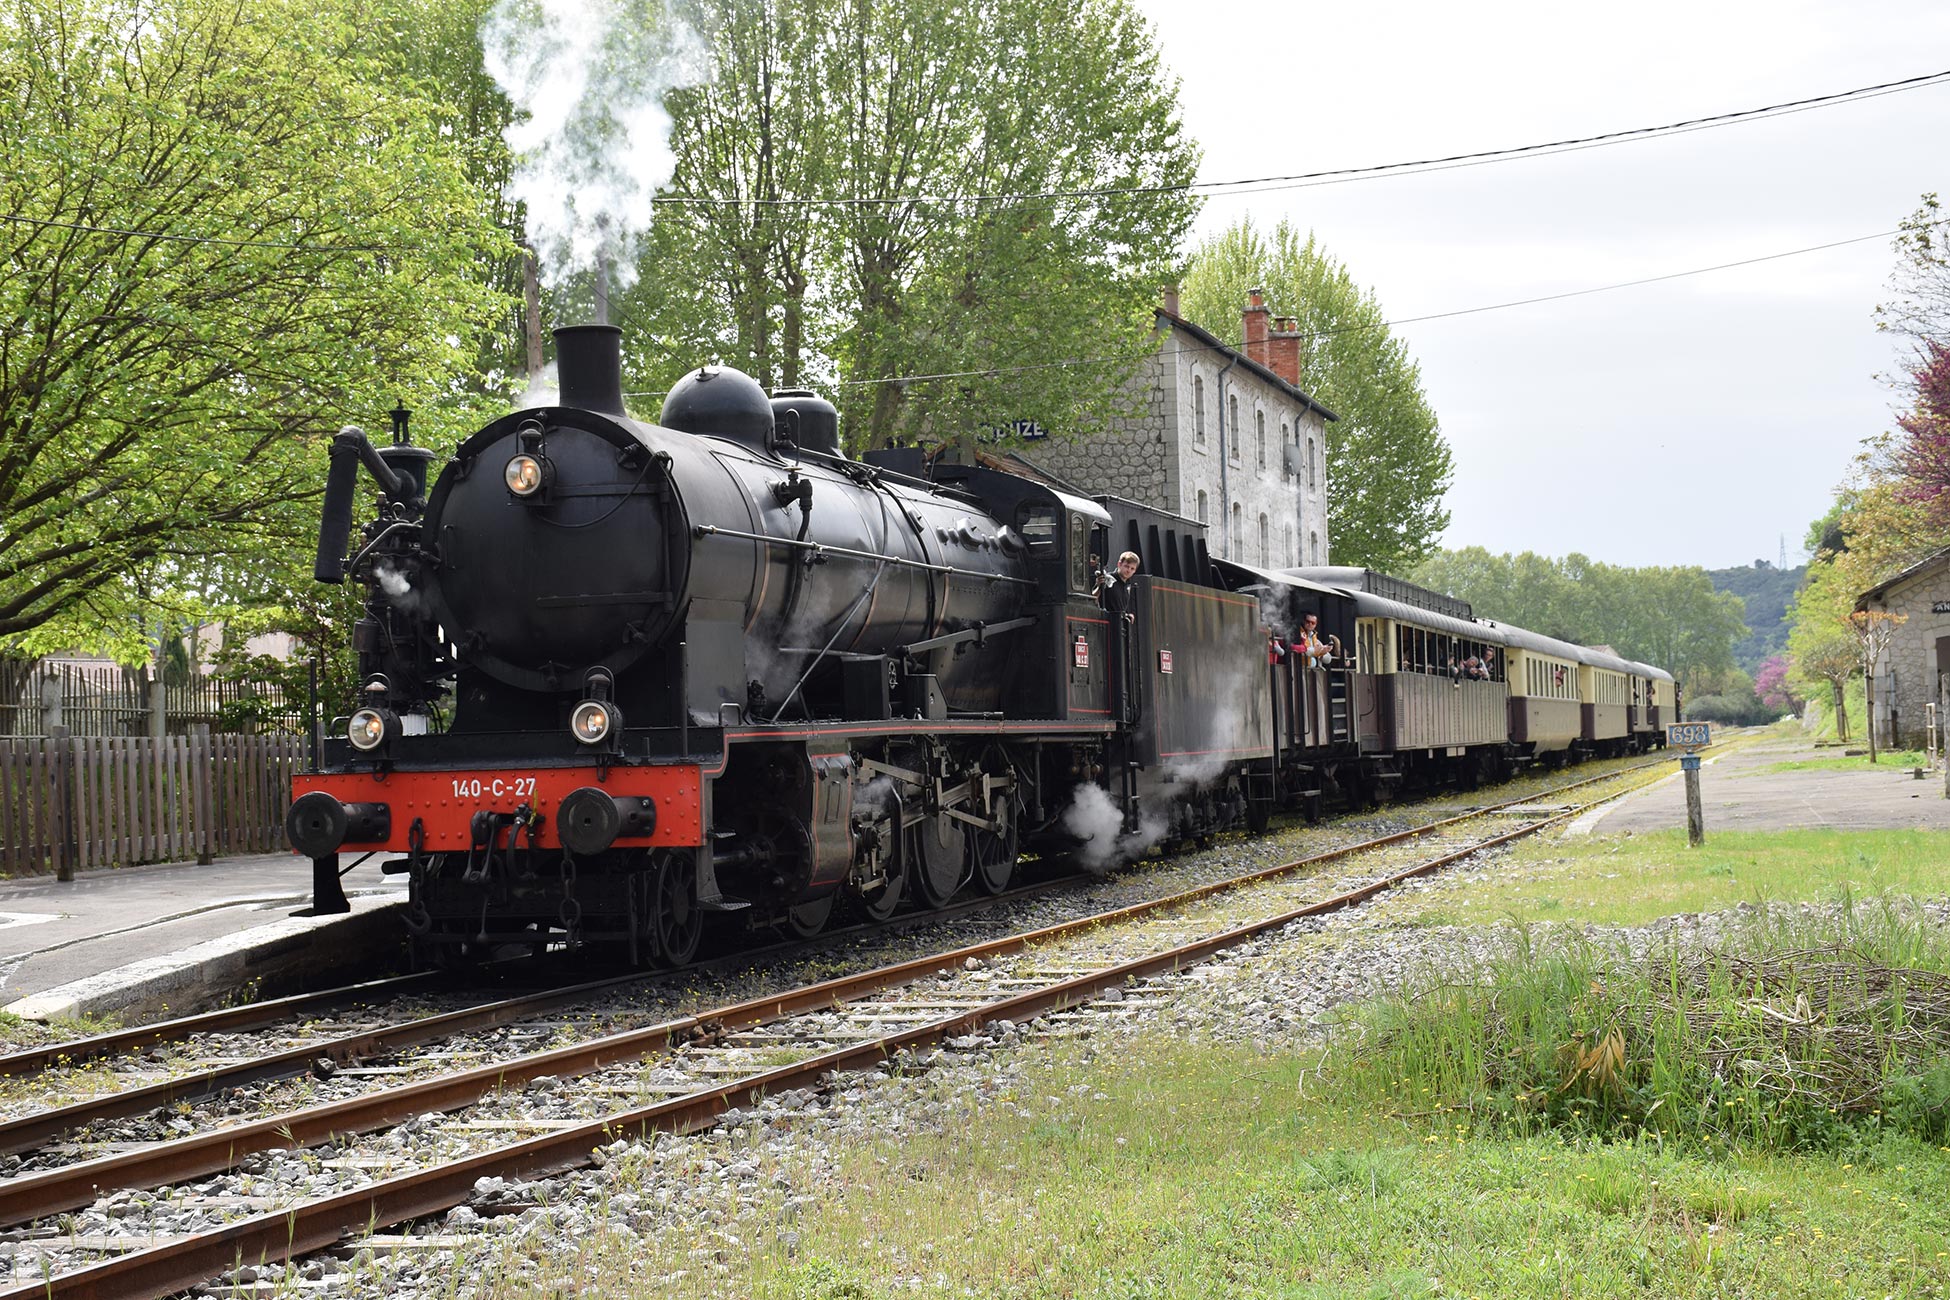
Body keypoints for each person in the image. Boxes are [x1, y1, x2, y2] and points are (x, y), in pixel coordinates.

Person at [1095, 550, 1139, 624]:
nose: (1128, 570)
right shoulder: (1107, 579)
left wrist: (1126, 615)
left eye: (1132, 569)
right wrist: (1099, 586)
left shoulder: (1128, 585)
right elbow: (1093, 598)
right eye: (1126, 566)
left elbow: (1118, 607)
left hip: (1119, 625)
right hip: (1105, 624)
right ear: (1119, 564)